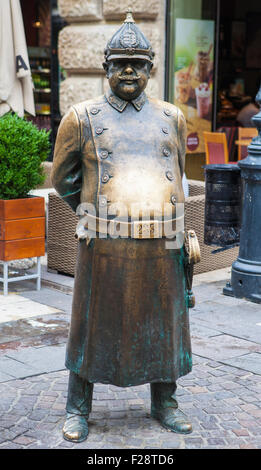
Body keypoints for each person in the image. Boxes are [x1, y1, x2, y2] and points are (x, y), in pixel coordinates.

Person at [51, 10, 194, 443]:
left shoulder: (172, 116)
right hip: (105, 243)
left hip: (163, 242)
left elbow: (179, 172)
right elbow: (63, 180)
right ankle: (78, 407)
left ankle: (165, 401)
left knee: (166, 327)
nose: (128, 71)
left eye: (137, 63)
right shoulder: (82, 117)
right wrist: (98, 213)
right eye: (119, 63)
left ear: (151, 69)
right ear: (105, 68)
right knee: (92, 327)